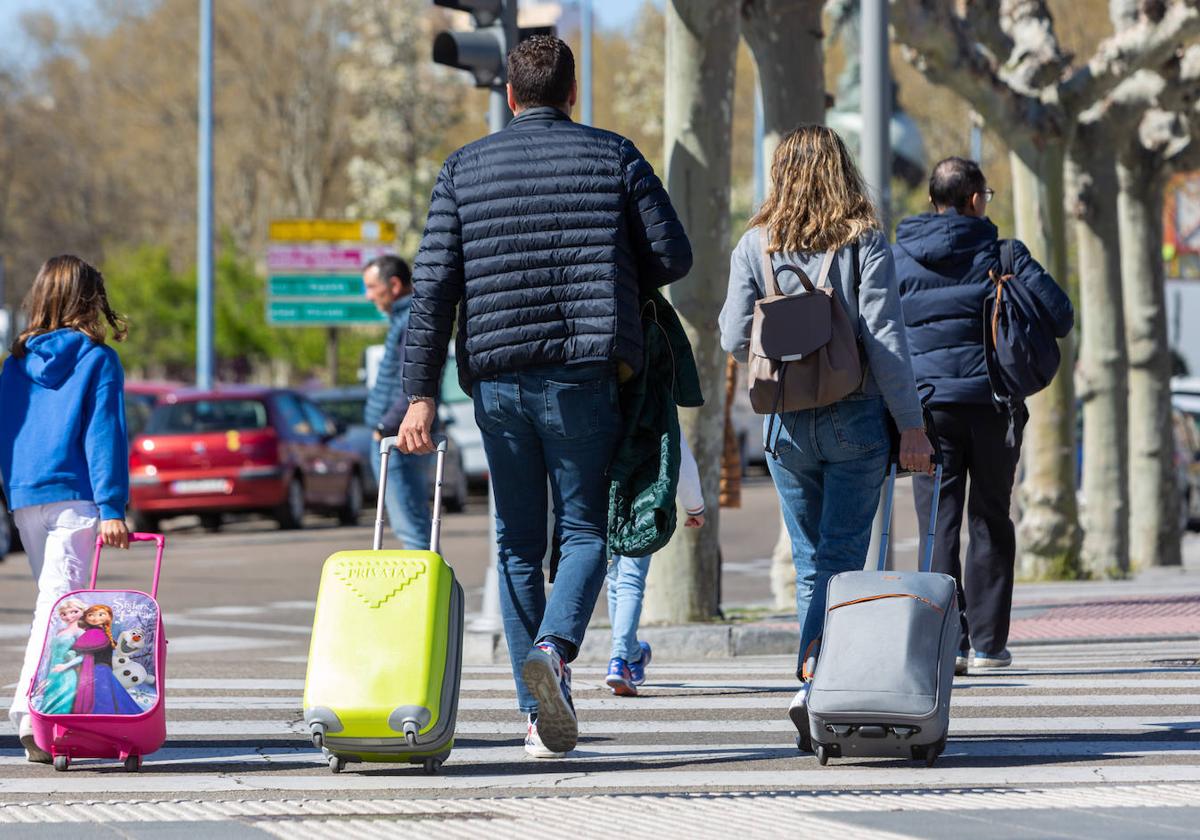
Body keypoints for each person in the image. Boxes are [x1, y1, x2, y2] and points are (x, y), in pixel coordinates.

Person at [396, 35, 692, 758]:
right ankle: (555, 652)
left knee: (517, 543)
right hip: (585, 374)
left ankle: (537, 715)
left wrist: (417, 397)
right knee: (589, 529)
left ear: (509, 96)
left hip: (495, 382)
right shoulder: (613, 154)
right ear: (571, 93)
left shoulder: (463, 168)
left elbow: (431, 291)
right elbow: (673, 255)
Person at [719, 125, 933, 719]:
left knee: (813, 561)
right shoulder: (863, 241)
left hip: (785, 425)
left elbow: (733, 335)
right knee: (841, 557)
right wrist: (911, 425)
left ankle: (817, 681)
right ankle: (815, 672)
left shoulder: (754, 244)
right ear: (842, 170)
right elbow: (884, 336)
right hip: (854, 416)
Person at [893, 157, 1074, 674]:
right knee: (991, 518)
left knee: (937, 524)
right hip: (994, 406)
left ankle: (944, 641)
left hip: (925, 411)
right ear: (975, 199)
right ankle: (989, 645)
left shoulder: (898, 256)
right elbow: (1060, 315)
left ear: (933, 201)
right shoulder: (1005, 253)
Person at [0, 255, 131, 762]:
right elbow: (105, 436)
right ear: (91, 299)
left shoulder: (14, 363)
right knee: (58, 611)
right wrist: (112, 505)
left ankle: (51, 717)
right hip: (75, 497)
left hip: (26, 496)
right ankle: (32, 718)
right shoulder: (97, 360)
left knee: (56, 608)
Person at [605, 436, 705, 697]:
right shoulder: (656, 397)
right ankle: (621, 659)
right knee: (629, 579)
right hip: (645, 499)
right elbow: (677, 452)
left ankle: (631, 654)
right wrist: (695, 506)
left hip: (606, 494)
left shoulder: (599, 396)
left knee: (615, 579)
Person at [362, 254, 432, 549]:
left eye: (371, 286)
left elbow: (413, 382)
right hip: (397, 434)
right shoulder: (405, 319)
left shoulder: (410, 320)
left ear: (393, 284)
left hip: (398, 437)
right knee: (417, 530)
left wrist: (384, 426)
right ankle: (433, 593)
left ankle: (428, 595)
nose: (368, 296)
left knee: (412, 532)